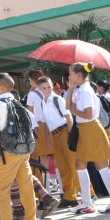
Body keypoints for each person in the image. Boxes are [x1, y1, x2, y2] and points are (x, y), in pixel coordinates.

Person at [66, 62, 110, 214]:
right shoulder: (80, 89)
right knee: (80, 165)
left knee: (101, 166)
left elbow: (87, 114)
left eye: (71, 73)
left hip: (91, 129)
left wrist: (73, 109)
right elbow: (68, 106)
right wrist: (71, 87)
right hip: (86, 130)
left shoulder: (85, 91)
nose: (69, 76)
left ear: (79, 75)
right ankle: (87, 202)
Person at [0, 73, 37, 220]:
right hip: (24, 151)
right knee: (26, 189)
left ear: (1, 88)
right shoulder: (18, 103)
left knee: (1, 191)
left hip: (9, 153)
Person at [35, 76, 78, 207]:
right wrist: (48, 138)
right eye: (44, 88)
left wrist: (71, 136)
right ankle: (69, 196)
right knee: (63, 167)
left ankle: (89, 193)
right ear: (39, 89)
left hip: (65, 132)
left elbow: (68, 117)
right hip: (55, 135)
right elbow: (45, 122)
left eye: (49, 87)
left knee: (73, 165)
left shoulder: (57, 99)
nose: (47, 90)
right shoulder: (43, 102)